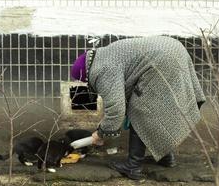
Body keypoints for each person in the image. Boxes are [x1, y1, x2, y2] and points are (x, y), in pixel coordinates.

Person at [70, 35, 206, 180]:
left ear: (86, 75)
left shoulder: (101, 71)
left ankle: (133, 166)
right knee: (157, 110)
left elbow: (116, 110)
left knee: (140, 110)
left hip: (163, 60)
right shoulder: (103, 55)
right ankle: (166, 157)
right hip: (174, 49)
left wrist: (101, 133)